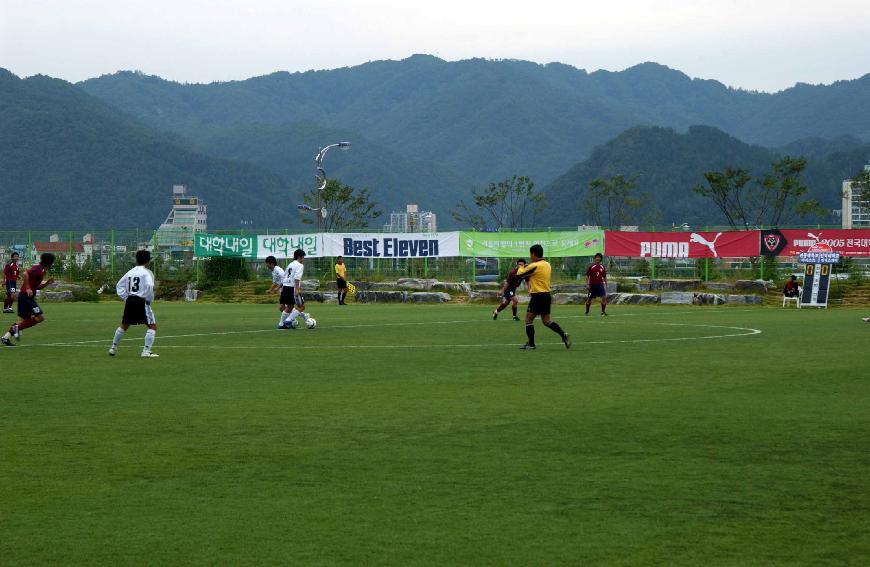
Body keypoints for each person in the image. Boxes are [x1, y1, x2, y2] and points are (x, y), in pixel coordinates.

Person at [515, 244, 571, 350]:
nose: (530, 256)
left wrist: (521, 266)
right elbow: (533, 274)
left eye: (530, 254)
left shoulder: (534, 265)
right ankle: (563, 334)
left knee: (528, 319)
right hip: (546, 295)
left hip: (538, 296)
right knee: (546, 321)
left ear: (533, 254)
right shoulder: (547, 264)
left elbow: (519, 274)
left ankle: (531, 344)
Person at [109, 250, 159, 357]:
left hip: (130, 301)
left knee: (124, 325)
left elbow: (119, 285)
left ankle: (113, 348)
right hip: (141, 301)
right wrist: (149, 299)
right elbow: (150, 286)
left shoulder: (130, 272)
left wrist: (125, 297)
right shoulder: (146, 272)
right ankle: (146, 351)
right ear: (148, 261)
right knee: (152, 326)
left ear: (136, 260)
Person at [1, 253, 55, 346]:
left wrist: (46, 283)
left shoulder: (42, 271)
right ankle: (17, 328)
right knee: (40, 317)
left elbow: (37, 287)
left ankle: (5, 338)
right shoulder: (38, 268)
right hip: (26, 297)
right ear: (49, 263)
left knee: (23, 319)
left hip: (26, 296)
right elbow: (25, 273)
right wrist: (28, 288)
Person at [278, 249, 311, 329]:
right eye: (303, 257)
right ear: (299, 257)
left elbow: (284, 276)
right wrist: (297, 289)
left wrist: (280, 287)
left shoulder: (290, 264)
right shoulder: (300, 265)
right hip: (292, 288)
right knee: (301, 307)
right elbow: (297, 277)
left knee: (289, 307)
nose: (303, 260)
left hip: (285, 287)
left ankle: (281, 324)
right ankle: (289, 320)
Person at [585, 252, 608, 316]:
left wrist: (606, 284)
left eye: (599, 257)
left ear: (601, 259)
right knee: (589, 299)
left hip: (600, 284)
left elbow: (604, 276)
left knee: (604, 297)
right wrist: (587, 284)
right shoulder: (591, 266)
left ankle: (602, 312)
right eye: (597, 257)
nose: (598, 258)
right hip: (592, 285)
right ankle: (587, 311)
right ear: (595, 258)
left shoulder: (602, 267)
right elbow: (587, 276)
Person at [264, 256, 286, 321]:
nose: (266, 265)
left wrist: (278, 288)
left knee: (284, 307)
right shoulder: (273, 271)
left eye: (267, 263)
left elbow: (284, 280)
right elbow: (275, 282)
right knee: (283, 308)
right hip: (282, 291)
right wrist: (270, 290)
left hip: (286, 290)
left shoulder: (278, 270)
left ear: (271, 263)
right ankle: (290, 320)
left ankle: (300, 316)